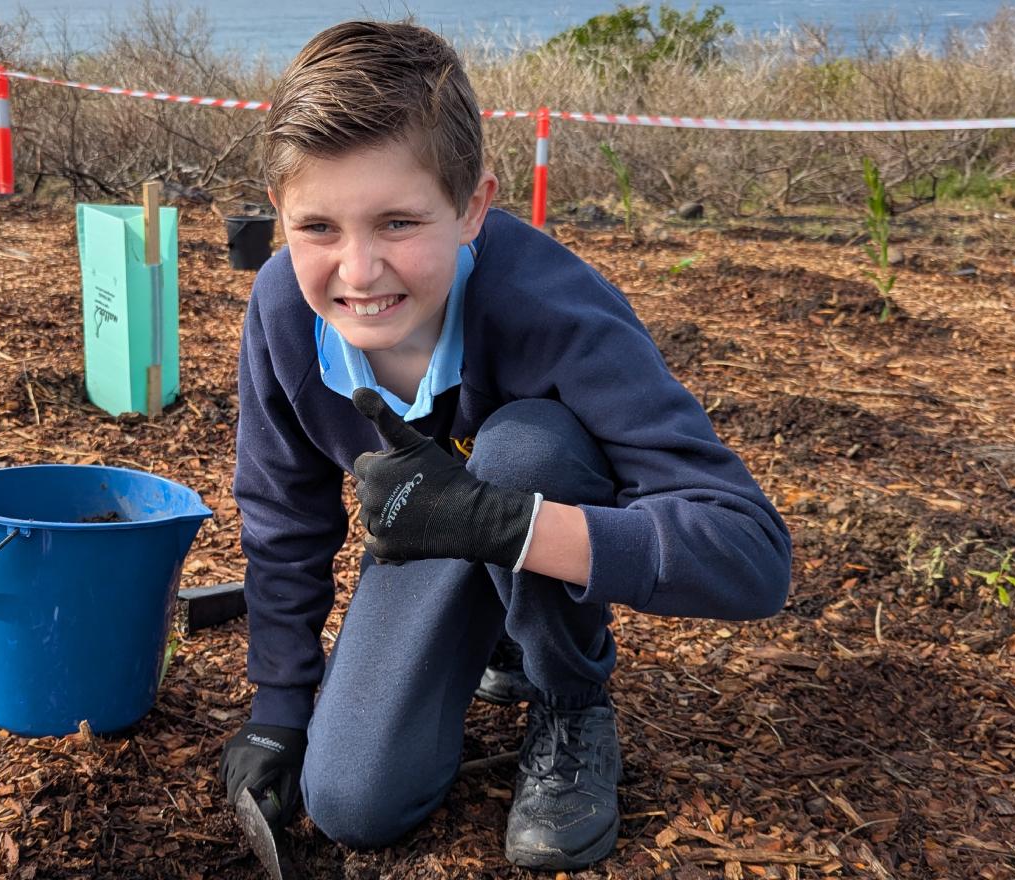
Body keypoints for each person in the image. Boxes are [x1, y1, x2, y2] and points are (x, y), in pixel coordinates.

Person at [219, 19, 791, 871]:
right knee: (350, 801)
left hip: (518, 515)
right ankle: (487, 634)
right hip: (426, 528)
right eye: (319, 228)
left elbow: (752, 556)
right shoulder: (282, 313)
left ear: (473, 208)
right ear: (281, 219)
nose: (359, 271)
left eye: (399, 222)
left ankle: (566, 693)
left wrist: (501, 526)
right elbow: (283, 518)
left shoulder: (555, 309)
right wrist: (278, 705)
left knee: (525, 445)